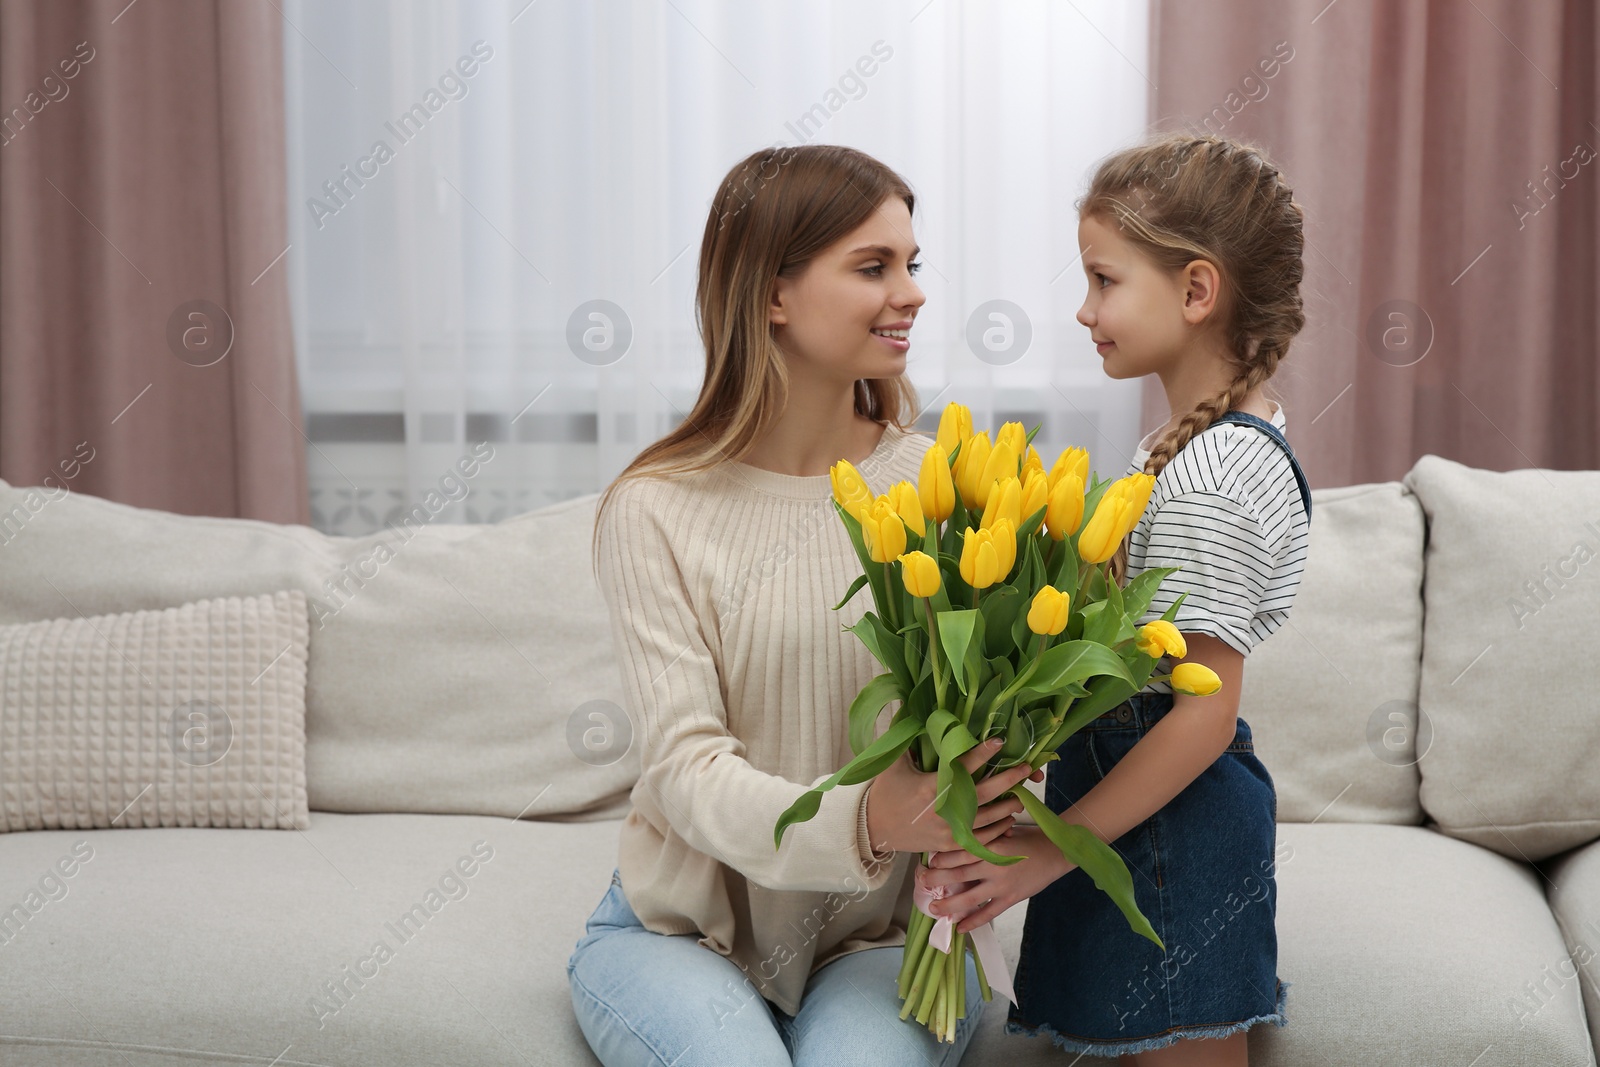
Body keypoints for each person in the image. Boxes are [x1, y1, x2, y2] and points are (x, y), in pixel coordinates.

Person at [567, 143, 1038, 1066]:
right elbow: (683, 769)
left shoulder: (945, 486)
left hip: (886, 941)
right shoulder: (655, 506)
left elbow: (1005, 729)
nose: (911, 292)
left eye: (911, 263)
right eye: (873, 267)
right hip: (680, 934)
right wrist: (869, 821)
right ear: (772, 293)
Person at [916, 132, 1313, 1066]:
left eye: (1103, 280)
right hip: (1140, 827)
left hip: (1173, 841)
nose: (1085, 309)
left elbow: (1202, 716)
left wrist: (1057, 851)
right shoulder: (1190, 444)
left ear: (1196, 290)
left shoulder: (1213, 475)